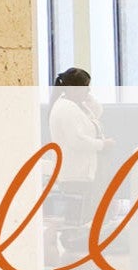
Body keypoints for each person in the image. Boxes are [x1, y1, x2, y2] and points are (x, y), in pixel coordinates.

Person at [48, 67, 114, 218]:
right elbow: (76, 141)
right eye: (85, 86)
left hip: (84, 172)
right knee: (78, 217)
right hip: (75, 173)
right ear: (74, 89)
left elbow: (97, 112)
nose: (88, 90)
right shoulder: (66, 108)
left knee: (88, 215)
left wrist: (86, 97)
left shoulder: (77, 105)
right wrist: (102, 144)